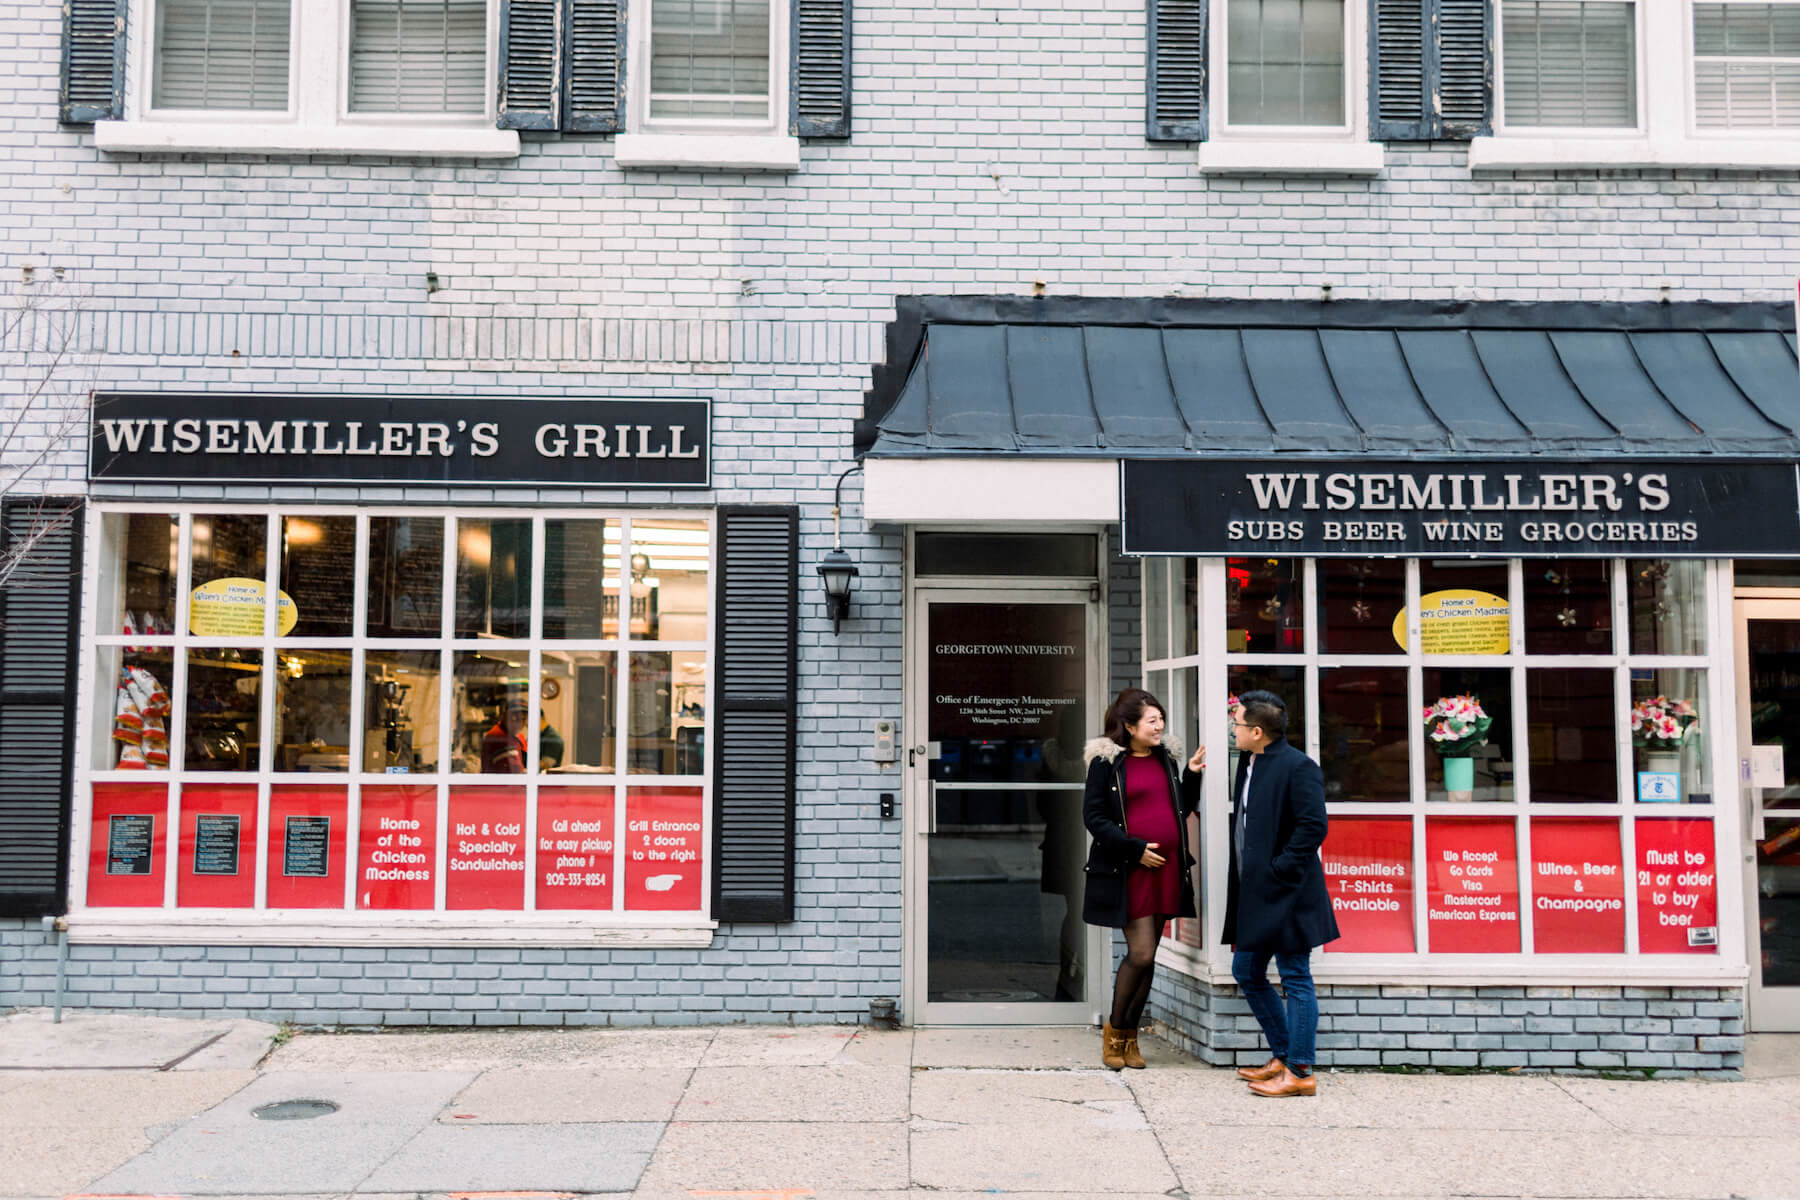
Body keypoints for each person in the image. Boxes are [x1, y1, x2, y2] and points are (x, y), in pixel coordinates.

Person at [1223, 689, 1339, 1097]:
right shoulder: (1249, 762)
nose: (1233, 729)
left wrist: (1279, 868)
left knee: (1295, 976)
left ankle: (1301, 1071)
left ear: (1257, 731)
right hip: (1257, 893)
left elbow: (1313, 826)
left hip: (1290, 893)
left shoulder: (1298, 766)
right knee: (1246, 971)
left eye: (1237, 723)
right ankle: (1285, 1055)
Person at [1082, 687, 1205, 1070]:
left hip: (1167, 869)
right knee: (1141, 953)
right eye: (1152, 720)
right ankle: (1114, 1033)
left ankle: (1130, 1038)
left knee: (1149, 959)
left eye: (1161, 719)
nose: (1160, 726)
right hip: (1130, 870)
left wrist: (1192, 775)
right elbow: (1094, 817)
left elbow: (1181, 805)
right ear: (1129, 725)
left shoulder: (1165, 759)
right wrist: (1134, 849)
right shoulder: (1105, 763)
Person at [481, 698, 529, 773]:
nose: (519, 722)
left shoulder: (518, 735)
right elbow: (514, 773)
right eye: (515, 717)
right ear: (505, 715)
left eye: (523, 718)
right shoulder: (499, 737)